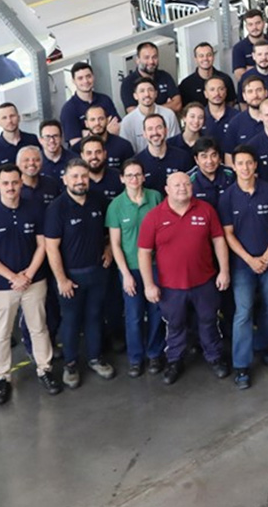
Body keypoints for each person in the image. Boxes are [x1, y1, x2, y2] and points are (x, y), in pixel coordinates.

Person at [0, 164, 61, 404]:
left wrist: (29, 274)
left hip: (34, 282)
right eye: (5, 183)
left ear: (21, 183)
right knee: (1, 333)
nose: (11, 187)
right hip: (2, 286)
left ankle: (45, 369)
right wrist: (13, 277)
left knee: (39, 327)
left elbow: (42, 244)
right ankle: (2, 378)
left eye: (15, 182)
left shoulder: (35, 209)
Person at [137, 172, 232, 386]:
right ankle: (174, 360)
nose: (182, 188)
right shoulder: (154, 216)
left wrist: (224, 270)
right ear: (167, 189)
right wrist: (148, 285)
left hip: (204, 282)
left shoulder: (206, 209)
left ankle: (214, 357)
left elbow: (218, 241)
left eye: (187, 184)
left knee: (209, 321)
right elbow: (143, 252)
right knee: (175, 324)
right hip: (170, 286)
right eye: (177, 185)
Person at [218, 146, 268, 389]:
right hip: (242, 266)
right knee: (243, 312)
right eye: (240, 163)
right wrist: (249, 259)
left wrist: (266, 256)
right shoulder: (227, 197)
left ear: (255, 165)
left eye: (249, 163)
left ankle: (265, 347)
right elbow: (227, 234)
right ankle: (242, 365)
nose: (245, 168)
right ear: (233, 166)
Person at [44, 159, 114, 389]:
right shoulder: (56, 209)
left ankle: (95, 358)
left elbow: (111, 231)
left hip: (97, 272)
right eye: (74, 176)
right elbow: (51, 247)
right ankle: (71, 364)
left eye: (83, 176)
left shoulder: (98, 201)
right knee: (71, 322)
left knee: (94, 317)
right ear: (65, 180)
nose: (80, 181)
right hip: (71, 278)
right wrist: (62, 279)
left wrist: (109, 248)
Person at [106, 159, 165, 378]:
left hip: (155, 266)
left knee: (156, 312)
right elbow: (115, 244)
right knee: (133, 315)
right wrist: (125, 275)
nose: (134, 179)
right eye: (129, 175)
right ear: (122, 179)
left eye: (138, 175)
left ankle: (155, 354)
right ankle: (135, 358)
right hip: (131, 268)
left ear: (143, 177)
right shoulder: (116, 206)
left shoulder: (155, 197)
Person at [60, 61, 121, 146]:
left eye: (88, 76)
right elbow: (75, 144)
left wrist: (87, 134)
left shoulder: (105, 100)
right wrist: (106, 132)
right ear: (73, 81)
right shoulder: (68, 109)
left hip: (113, 148)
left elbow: (117, 127)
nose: (85, 81)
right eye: (80, 78)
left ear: (93, 77)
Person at [134, 114, 193, 194]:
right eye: (150, 129)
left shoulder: (183, 157)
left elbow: (191, 187)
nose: (155, 132)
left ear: (166, 130)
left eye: (159, 127)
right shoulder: (137, 163)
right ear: (144, 134)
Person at [118, 78, 179, 153]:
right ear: (135, 96)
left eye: (150, 90)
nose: (147, 94)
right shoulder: (127, 121)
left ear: (156, 94)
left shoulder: (169, 115)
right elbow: (126, 151)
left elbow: (175, 143)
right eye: (142, 91)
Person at [119, 41, 181, 114]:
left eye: (154, 57)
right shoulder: (128, 83)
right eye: (146, 58)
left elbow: (177, 105)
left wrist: (147, 110)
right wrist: (166, 107)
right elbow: (133, 113)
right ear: (137, 60)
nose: (151, 61)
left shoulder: (165, 76)